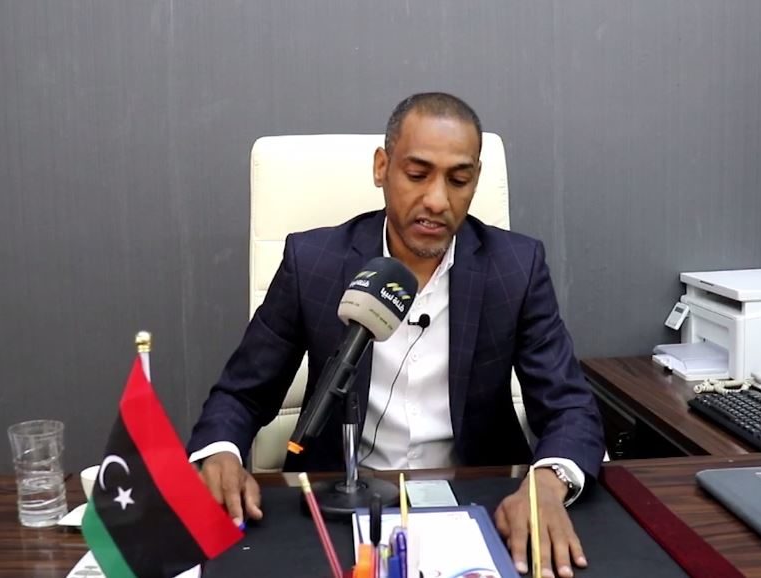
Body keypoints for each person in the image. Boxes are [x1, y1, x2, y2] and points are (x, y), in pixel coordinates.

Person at [187, 92, 605, 578]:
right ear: (382, 168)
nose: (437, 200)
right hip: (339, 502)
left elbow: (570, 407)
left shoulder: (516, 268)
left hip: (480, 499)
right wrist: (220, 453)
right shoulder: (314, 263)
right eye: (417, 174)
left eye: (459, 180)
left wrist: (547, 484)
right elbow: (241, 394)